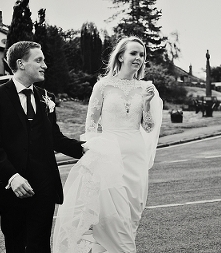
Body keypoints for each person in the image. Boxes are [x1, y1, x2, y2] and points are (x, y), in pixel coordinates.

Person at [52, 36, 162, 253]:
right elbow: (91, 125)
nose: (138, 58)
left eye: (142, 55)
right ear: (120, 56)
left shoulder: (146, 88)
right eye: (134, 53)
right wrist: (92, 157)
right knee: (110, 216)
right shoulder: (102, 86)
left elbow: (148, 127)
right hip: (109, 156)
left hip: (136, 157)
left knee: (132, 212)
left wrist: (148, 104)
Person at [0, 41, 85, 252]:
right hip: (11, 188)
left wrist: (85, 150)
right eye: (39, 60)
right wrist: (12, 177)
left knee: (40, 247)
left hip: (44, 187)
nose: (45, 65)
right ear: (20, 63)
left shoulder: (47, 98)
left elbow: (55, 138)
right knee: (16, 246)